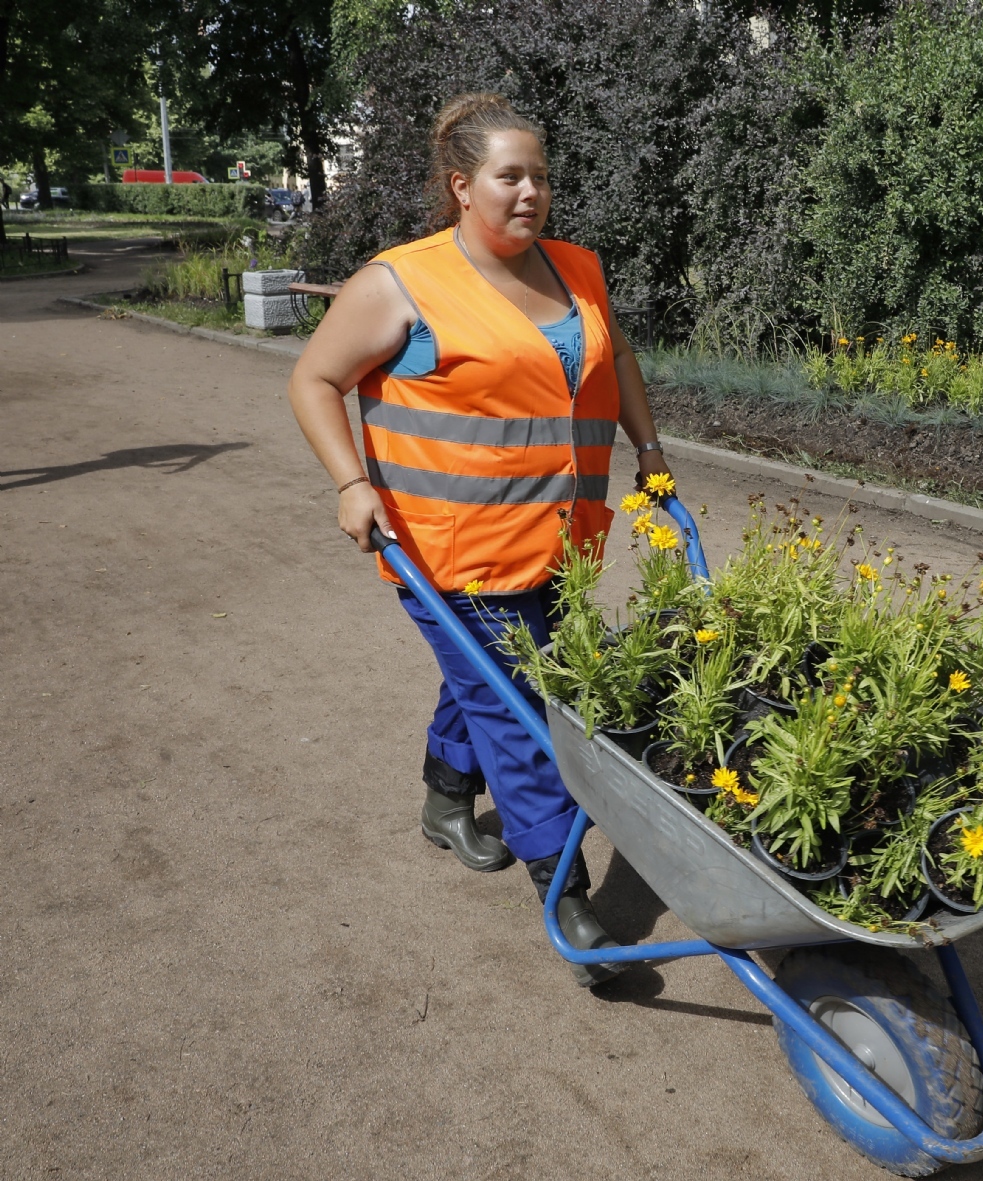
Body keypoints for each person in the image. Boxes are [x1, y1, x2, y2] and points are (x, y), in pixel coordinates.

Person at [286, 92, 672, 988]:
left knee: (492, 678)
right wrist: (351, 484)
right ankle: (564, 886)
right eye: (510, 175)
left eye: (540, 174)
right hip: (447, 548)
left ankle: (445, 797)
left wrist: (649, 449)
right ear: (463, 185)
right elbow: (314, 378)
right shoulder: (402, 280)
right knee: (521, 703)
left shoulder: (577, 267)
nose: (531, 190)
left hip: (563, 534)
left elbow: (615, 362)